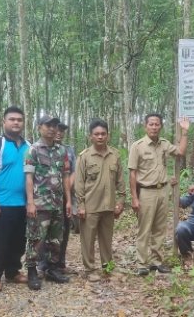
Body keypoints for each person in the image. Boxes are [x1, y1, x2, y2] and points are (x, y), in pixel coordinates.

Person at [128, 114, 190, 276]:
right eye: (151, 124)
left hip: (163, 190)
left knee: (160, 229)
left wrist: (184, 131)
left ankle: (157, 262)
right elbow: (132, 173)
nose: (154, 127)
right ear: (145, 126)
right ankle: (142, 263)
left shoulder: (164, 144)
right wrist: (134, 198)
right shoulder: (138, 146)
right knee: (144, 229)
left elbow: (181, 152)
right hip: (146, 192)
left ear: (160, 126)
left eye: (157, 124)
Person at [0, 106, 30, 292]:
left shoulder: (28, 145)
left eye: (19, 119)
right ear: (4, 122)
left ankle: (13, 272)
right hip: (2, 203)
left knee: (18, 240)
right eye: (12, 119)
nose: (16, 122)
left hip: (22, 203)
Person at [73, 119, 126, 282]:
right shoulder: (84, 157)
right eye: (97, 134)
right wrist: (80, 205)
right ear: (91, 137)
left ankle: (108, 267)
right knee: (88, 240)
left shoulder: (115, 155)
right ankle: (89, 270)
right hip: (90, 206)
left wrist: (121, 201)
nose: (100, 137)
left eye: (103, 134)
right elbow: (79, 183)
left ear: (108, 136)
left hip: (109, 205)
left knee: (106, 239)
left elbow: (120, 181)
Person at [24, 114, 72, 290]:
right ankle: (32, 272)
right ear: (39, 127)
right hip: (40, 204)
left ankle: (52, 269)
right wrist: (30, 202)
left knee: (55, 239)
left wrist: (67, 201)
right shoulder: (33, 150)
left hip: (57, 202)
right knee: (36, 238)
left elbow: (65, 175)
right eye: (48, 125)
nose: (52, 128)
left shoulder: (61, 151)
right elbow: (29, 177)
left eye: (54, 125)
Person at [53, 122, 77, 273]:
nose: (59, 133)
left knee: (65, 229)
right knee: (46, 232)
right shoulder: (39, 148)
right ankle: (45, 265)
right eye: (56, 129)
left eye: (62, 131)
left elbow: (73, 171)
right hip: (47, 198)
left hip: (66, 198)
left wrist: (67, 189)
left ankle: (60, 264)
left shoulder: (69, 150)